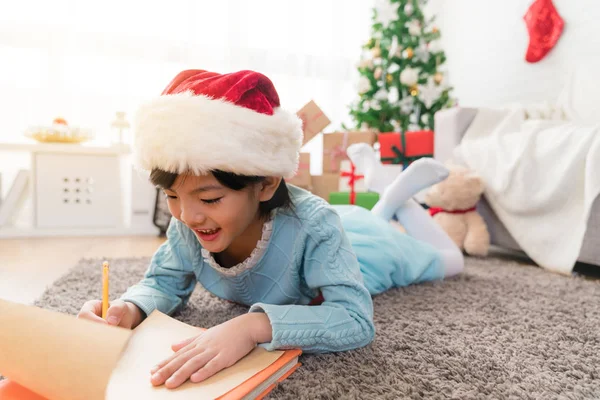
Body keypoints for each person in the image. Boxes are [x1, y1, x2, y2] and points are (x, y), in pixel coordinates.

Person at [77, 69, 464, 389]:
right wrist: (128, 309)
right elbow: (162, 282)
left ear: (265, 184)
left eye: (209, 199)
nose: (187, 216)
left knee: (450, 261)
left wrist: (252, 326)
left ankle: (402, 198)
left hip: (364, 250)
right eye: (171, 196)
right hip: (333, 227)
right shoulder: (188, 222)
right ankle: (388, 197)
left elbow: (356, 320)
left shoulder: (316, 226)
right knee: (375, 217)